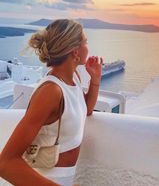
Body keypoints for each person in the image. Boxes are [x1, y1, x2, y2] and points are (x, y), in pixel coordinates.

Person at [0, 19, 103, 186]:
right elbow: (6, 163)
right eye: (86, 42)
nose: (88, 47)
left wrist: (95, 80)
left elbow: (85, 109)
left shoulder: (73, 78)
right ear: (75, 51)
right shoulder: (50, 91)